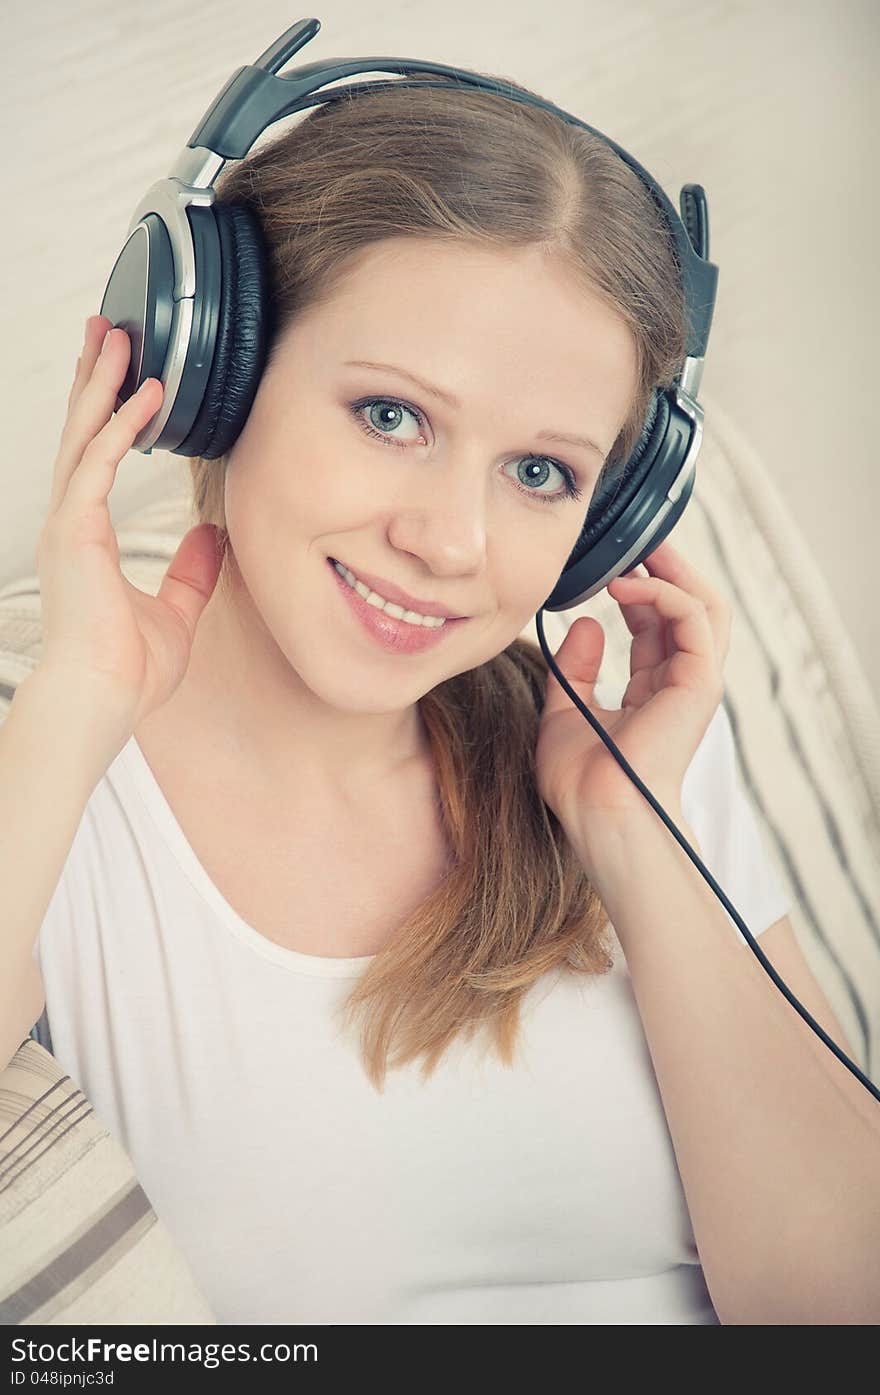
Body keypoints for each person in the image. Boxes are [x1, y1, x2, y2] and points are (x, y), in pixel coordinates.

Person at [6, 77, 865, 1326]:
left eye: (538, 472)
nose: (453, 541)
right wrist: (78, 702)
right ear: (211, 373)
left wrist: (630, 835)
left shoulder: (634, 751)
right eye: (392, 414)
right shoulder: (49, 783)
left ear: (609, 515)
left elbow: (837, 1307)